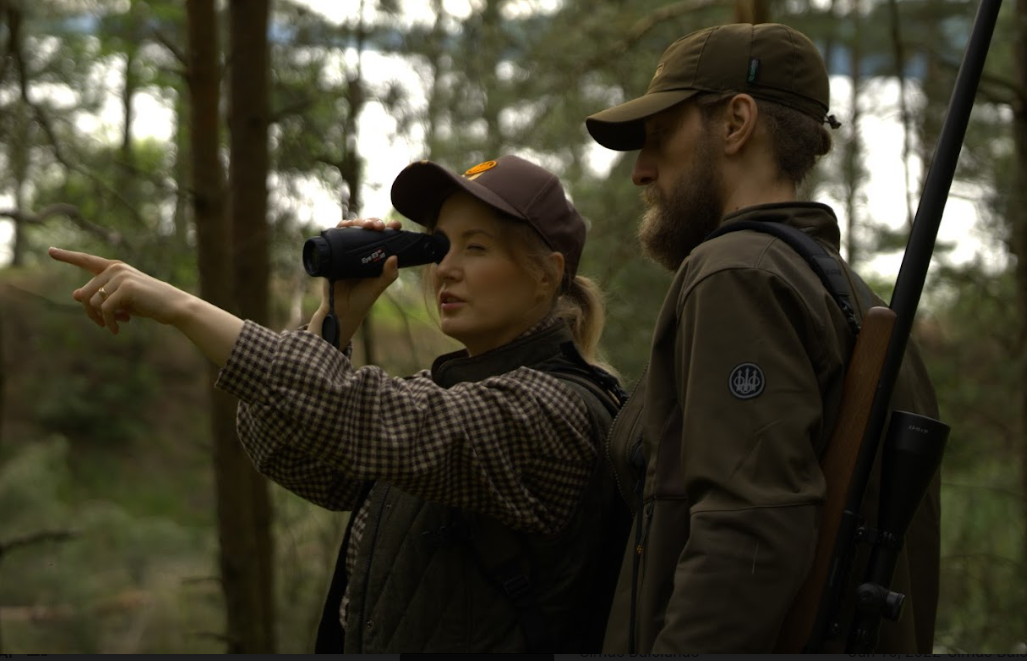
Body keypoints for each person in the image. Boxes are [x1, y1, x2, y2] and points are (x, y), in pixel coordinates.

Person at [48, 154, 628, 653]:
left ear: (546, 275)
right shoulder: (444, 389)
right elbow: (295, 453)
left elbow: (363, 417)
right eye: (440, 247)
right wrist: (338, 316)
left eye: (476, 248)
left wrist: (183, 308)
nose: (446, 268)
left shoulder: (558, 410)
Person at [584, 23, 941, 653]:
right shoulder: (856, 298)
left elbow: (747, 539)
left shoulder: (736, 275)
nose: (641, 171)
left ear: (735, 122)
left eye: (660, 136)